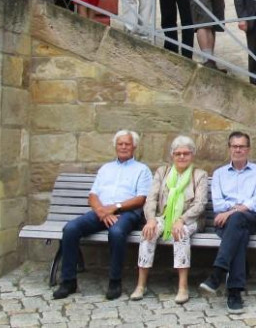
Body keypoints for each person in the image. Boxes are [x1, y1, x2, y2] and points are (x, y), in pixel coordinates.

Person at [52, 130, 152, 301]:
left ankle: (114, 281)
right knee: (70, 229)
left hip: (127, 213)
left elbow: (141, 199)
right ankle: (68, 281)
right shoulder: (106, 168)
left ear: (134, 146)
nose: (123, 147)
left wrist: (114, 207)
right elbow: (92, 196)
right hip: (101, 211)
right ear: (115, 146)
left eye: (127, 144)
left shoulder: (142, 170)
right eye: (120, 144)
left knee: (116, 232)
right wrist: (102, 211)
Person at [131, 135, 208, 304]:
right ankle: (140, 285)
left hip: (190, 219)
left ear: (192, 155)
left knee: (180, 233)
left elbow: (200, 204)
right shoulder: (162, 172)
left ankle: (182, 287)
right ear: (172, 155)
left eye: (186, 153)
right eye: (178, 153)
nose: (181, 157)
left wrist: (181, 220)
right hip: (164, 217)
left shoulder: (200, 175)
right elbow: (151, 198)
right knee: (148, 233)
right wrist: (150, 219)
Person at [199, 132, 256, 313]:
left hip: (248, 219)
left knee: (238, 219)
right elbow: (218, 204)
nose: (238, 149)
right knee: (239, 233)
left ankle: (218, 272)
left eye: (242, 146)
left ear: (248, 149)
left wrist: (233, 210)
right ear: (229, 148)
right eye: (234, 146)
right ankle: (234, 291)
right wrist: (242, 206)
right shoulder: (219, 174)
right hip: (225, 222)